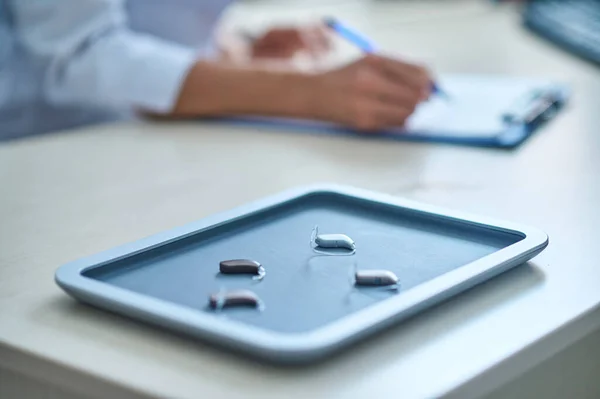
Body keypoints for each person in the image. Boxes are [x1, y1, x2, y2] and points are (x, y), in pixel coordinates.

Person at [0, 0, 432, 141]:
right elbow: (77, 57)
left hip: (153, 140)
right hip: (41, 149)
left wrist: (242, 47)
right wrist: (307, 92)